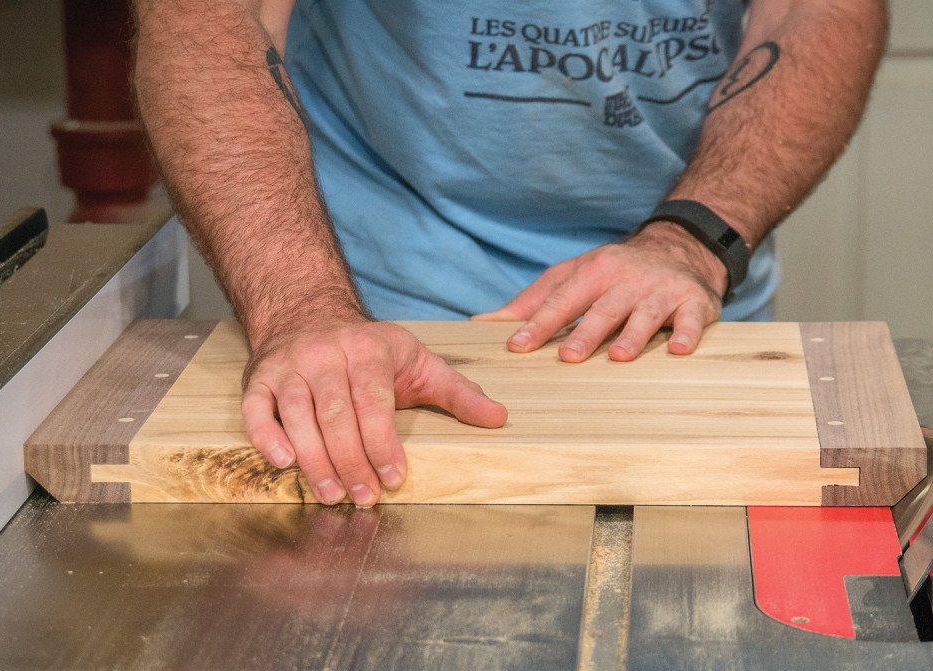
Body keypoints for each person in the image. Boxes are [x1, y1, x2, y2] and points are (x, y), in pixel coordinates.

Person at [133, 0, 888, 507]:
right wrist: (300, 307)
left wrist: (695, 237)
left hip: (682, 301)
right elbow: (207, 20)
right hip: (373, 310)